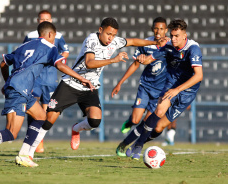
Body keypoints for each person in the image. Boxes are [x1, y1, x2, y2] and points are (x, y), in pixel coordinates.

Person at [21, 17, 167, 158]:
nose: (111, 38)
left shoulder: (115, 41)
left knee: (95, 120)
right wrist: (113, 60)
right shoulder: (91, 40)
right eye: (108, 34)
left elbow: (133, 41)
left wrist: (155, 42)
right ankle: (30, 152)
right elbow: (89, 63)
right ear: (100, 30)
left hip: (89, 87)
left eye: (113, 35)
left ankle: (76, 129)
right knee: (49, 119)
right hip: (72, 83)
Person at [0, 22, 94, 167]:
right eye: (54, 37)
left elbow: (3, 64)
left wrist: (7, 83)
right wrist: (81, 78)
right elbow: (60, 65)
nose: (54, 40)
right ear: (50, 34)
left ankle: (24, 154)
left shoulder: (24, 46)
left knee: (41, 116)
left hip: (20, 88)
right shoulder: (50, 47)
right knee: (11, 133)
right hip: (20, 89)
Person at [128, 19, 203, 160]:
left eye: (176, 36)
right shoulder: (169, 46)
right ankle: (138, 145)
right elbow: (150, 59)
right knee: (159, 110)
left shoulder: (193, 49)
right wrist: (143, 58)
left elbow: (199, 76)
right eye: (172, 35)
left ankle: (140, 142)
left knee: (158, 128)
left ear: (184, 36)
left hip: (187, 92)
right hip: (171, 85)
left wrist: (178, 90)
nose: (173, 39)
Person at [112, 17, 169, 156]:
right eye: (156, 28)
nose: (158, 31)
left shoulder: (171, 45)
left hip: (160, 92)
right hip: (146, 86)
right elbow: (136, 64)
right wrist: (120, 83)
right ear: (152, 29)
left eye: (161, 29)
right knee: (136, 120)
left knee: (146, 123)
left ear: (166, 30)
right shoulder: (146, 44)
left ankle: (126, 145)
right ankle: (130, 121)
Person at [23, 10, 69, 153]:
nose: (45, 21)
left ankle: (38, 140)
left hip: (49, 79)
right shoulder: (30, 36)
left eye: (47, 19)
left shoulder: (57, 36)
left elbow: (65, 51)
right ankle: (31, 140)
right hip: (35, 78)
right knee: (32, 109)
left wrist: (58, 58)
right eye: (42, 19)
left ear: (51, 20)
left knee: (46, 111)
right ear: (38, 21)